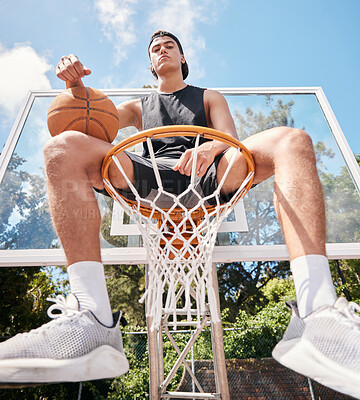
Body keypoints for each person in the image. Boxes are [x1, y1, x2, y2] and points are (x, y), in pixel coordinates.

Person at [0, 30, 358, 398]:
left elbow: (228, 135)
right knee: (62, 149)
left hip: (206, 175)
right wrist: (75, 88)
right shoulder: (139, 106)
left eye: (170, 46)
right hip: (149, 176)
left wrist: (211, 147)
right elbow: (95, 119)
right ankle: (91, 317)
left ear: (182, 59)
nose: (162, 50)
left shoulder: (208, 96)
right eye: (155, 49)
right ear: (151, 64)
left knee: (291, 140)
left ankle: (316, 311)